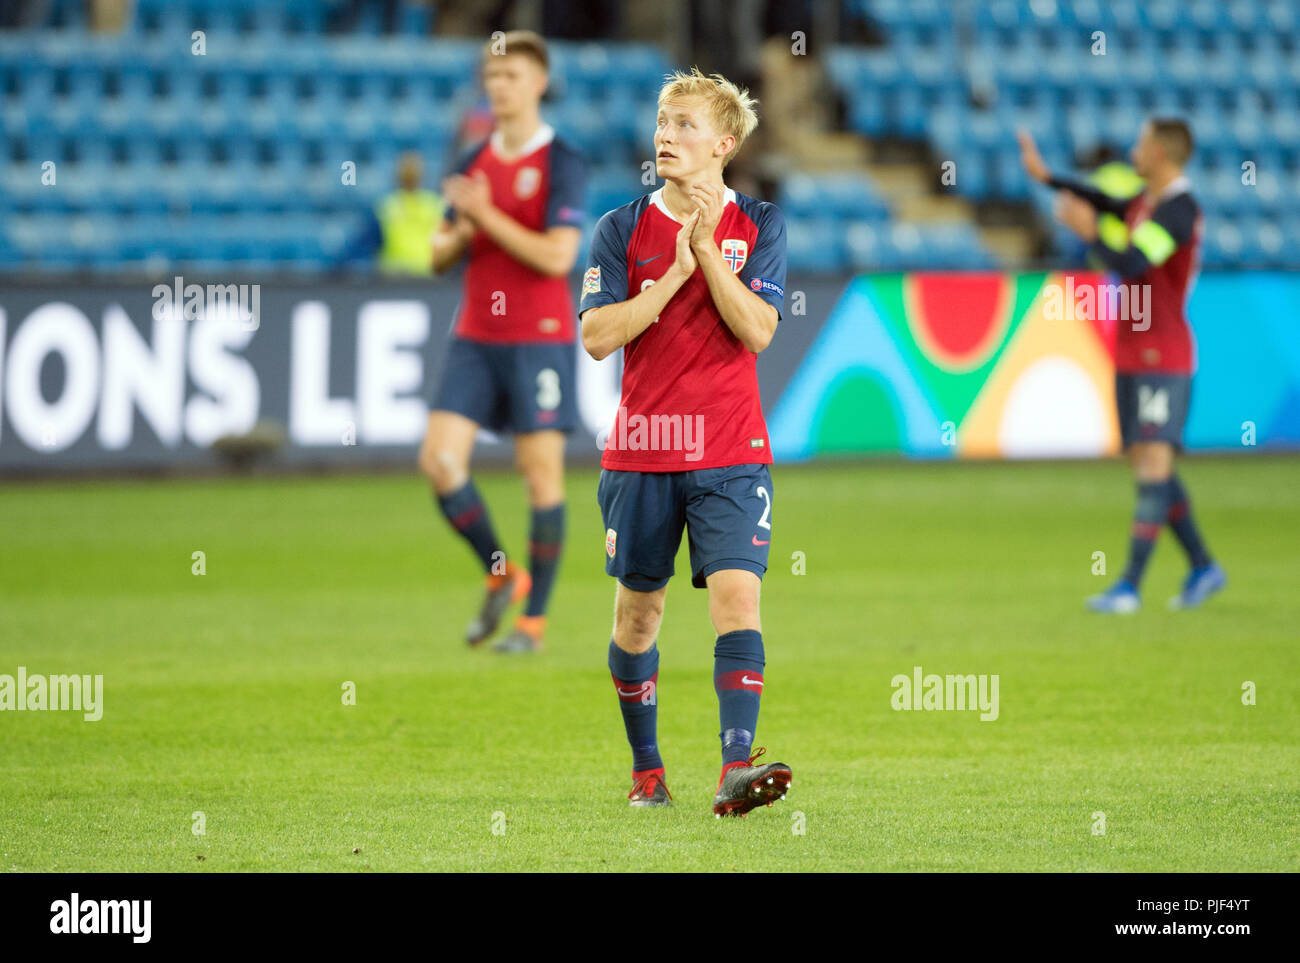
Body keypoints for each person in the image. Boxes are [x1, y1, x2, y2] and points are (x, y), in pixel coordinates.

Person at [579, 68, 792, 815]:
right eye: (663, 121)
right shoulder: (619, 228)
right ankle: (647, 773)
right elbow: (597, 337)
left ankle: (736, 769)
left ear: (724, 144)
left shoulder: (758, 224)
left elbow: (760, 329)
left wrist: (705, 252)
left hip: (731, 451)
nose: (665, 135)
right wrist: (669, 278)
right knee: (638, 617)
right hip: (642, 450)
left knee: (738, 598)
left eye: (684, 125)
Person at [418, 30, 586, 652]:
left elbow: (558, 255)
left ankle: (533, 622)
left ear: (539, 82)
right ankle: (503, 574)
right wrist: (461, 231)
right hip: (476, 335)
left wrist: (487, 217)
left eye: (511, 76)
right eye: (492, 78)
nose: (499, 87)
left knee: (539, 476)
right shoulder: (470, 161)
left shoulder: (561, 162)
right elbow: (436, 253)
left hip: (538, 336)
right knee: (438, 461)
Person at [1019, 120, 1226, 613]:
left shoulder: (1179, 211)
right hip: (1133, 350)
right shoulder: (1144, 201)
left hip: (1163, 354)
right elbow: (1099, 198)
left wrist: (1090, 235)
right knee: (1148, 462)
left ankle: (1129, 587)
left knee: (1153, 463)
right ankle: (1202, 565)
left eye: (1140, 142)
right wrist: (1048, 178)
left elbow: (1133, 262)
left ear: (1160, 152)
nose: (1133, 150)